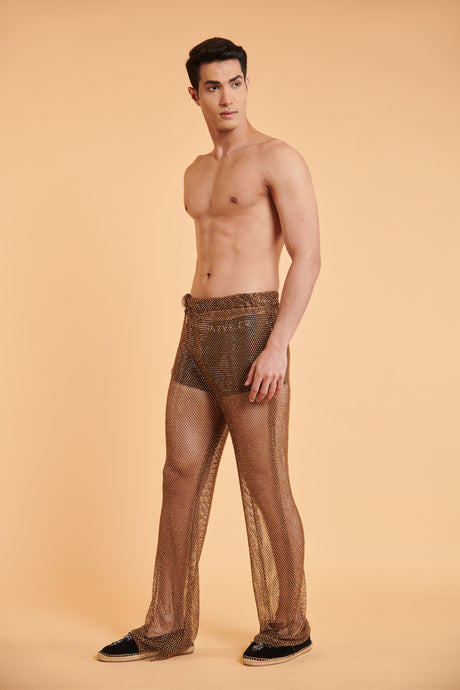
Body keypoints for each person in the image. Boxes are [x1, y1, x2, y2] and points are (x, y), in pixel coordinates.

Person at [97, 36, 321, 667]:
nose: (227, 97)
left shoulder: (277, 158)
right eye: (214, 86)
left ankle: (289, 625)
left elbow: (308, 256)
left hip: (252, 331)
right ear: (194, 93)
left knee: (265, 483)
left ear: (248, 85)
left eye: (236, 83)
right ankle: (166, 625)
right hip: (195, 328)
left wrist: (278, 345)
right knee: (179, 475)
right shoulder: (195, 171)